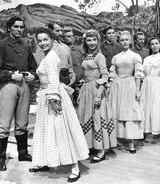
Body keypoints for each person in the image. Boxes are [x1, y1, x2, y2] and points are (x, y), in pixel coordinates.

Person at [30, 27, 89, 183]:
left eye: (45, 39)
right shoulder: (47, 56)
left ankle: (75, 168)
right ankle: (45, 161)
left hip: (53, 96)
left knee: (62, 132)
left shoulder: (51, 58)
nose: (42, 43)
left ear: (52, 40)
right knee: (47, 131)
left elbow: (53, 81)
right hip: (47, 95)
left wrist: (53, 100)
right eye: (40, 40)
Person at [0, 16, 37, 171]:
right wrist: (11, 75)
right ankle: (0, 158)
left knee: (22, 122)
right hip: (8, 85)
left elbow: (33, 67)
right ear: (9, 28)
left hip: (24, 84)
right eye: (16, 27)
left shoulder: (26, 47)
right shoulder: (0, 46)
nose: (20, 29)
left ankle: (22, 152)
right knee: (4, 123)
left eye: (22, 27)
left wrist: (32, 75)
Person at [78, 30, 117, 163]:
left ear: (98, 40)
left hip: (96, 89)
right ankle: (91, 147)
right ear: (85, 42)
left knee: (97, 117)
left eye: (94, 40)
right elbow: (87, 72)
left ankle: (101, 151)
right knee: (87, 116)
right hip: (86, 89)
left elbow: (105, 76)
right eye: (89, 40)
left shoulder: (100, 56)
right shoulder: (86, 55)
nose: (92, 43)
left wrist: (99, 95)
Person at [110, 31, 144, 153]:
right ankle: (117, 139)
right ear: (119, 42)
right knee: (117, 111)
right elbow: (112, 73)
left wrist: (138, 90)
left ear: (130, 41)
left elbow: (138, 74)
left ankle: (131, 143)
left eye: (126, 40)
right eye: (122, 40)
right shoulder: (116, 57)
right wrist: (112, 84)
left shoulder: (135, 56)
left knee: (130, 112)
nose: (124, 42)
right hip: (117, 85)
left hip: (130, 84)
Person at [35, 21, 75, 86]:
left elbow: (70, 66)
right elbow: (39, 66)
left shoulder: (66, 47)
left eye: (62, 31)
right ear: (50, 30)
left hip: (65, 83)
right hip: (49, 83)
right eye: (57, 31)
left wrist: (72, 76)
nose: (60, 33)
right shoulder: (43, 47)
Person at [62, 27, 84, 106]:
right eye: (68, 36)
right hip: (69, 82)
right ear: (63, 38)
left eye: (72, 36)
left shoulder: (79, 50)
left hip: (80, 81)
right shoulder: (63, 50)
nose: (72, 38)